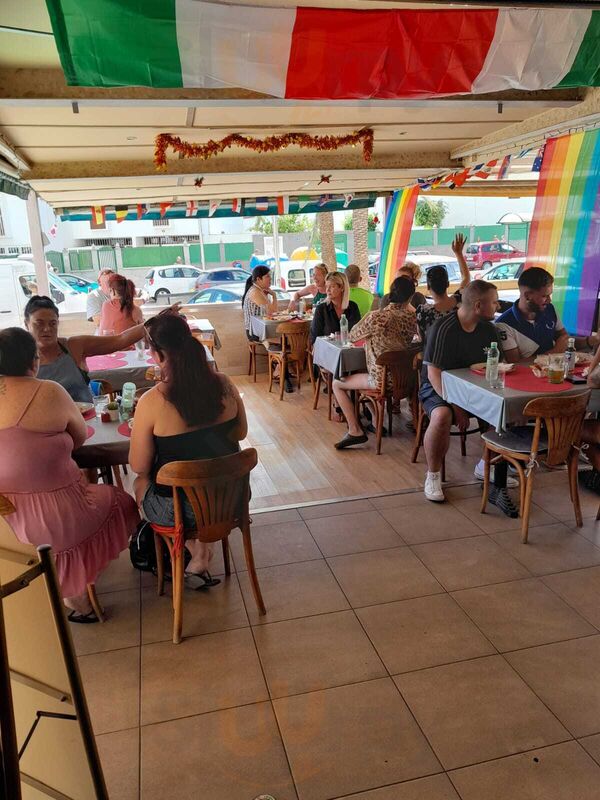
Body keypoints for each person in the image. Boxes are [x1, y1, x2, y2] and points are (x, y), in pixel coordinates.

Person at [0, 327, 138, 622]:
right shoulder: (48, 391)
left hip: (6, 526)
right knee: (121, 501)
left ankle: (53, 585)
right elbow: (78, 437)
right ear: (34, 360)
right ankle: (76, 591)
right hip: (58, 515)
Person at [129, 314, 248, 588]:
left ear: (158, 355)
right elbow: (240, 433)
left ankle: (195, 549)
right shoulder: (224, 383)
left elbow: (139, 466)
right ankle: (200, 549)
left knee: (140, 482)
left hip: (181, 511)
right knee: (201, 470)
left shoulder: (152, 400)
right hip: (232, 499)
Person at [420, 280, 501, 503]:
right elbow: (434, 374)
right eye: (494, 302)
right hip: (438, 387)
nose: (498, 306)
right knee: (442, 415)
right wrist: (458, 407)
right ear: (478, 305)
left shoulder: (489, 330)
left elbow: (497, 365)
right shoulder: (444, 328)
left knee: (502, 410)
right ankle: (433, 475)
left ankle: (485, 465)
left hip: (474, 387)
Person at [332, 276, 417, 449]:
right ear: (410, 297)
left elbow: (352, 336)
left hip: (381, 379)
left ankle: (355, 430)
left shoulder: (376, 317)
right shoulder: (413, 317)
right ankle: (376, 421)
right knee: (363, 375)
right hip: (407, 379)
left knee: (336, 384)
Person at [25, 295, 147, 402]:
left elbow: (120, 340)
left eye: (52, 323)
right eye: (39, 323)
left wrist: (153, 324)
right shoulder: (20, 359)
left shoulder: (73, 346)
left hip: (86, 419)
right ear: (27, 324)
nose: (47, 329)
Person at [415, 234, 471, 341]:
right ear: (448, 284)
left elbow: (422, 340)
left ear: (428, 286)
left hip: (434, 352)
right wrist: (458, 253)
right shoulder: (460, 300)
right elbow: (466, 277)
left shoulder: (423, 312)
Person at [310, 271, 361, 343]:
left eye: (332, 286)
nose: (327, 290)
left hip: (349, 347)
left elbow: (358, 333)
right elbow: (315, 338)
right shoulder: (321, 309)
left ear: (342, 287)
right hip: (327, 348)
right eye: (327, 286)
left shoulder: (353, 307)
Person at [242, 265, 278, 340]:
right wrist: (274, 296)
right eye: (267, 276)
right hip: (254, 332)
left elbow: (271, 312)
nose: (270, 278)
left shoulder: (258, 290)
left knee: (287, 334)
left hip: (259, 329)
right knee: (287, 334)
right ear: (258, 279)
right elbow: (273, 312)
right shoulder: (255, 292)